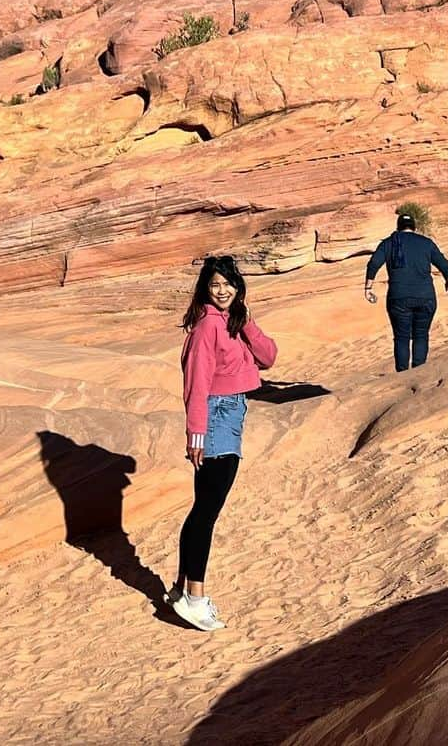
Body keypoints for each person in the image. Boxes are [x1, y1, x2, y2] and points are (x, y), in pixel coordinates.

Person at [167, 255, 277, 632]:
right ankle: (195, 599)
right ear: (205, 289)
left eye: (227, 283)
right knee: (207, 512)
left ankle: (181, 589)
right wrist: (196, 433)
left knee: (203, 508)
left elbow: (269, 357)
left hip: (230, 415)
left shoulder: (233, 321)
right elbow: (195, 385)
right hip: (215, 419)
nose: (222, 290)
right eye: (214, 284)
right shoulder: (205, 329)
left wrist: (246, 321)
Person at [364, 212, 448, 372]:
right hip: (425, 297)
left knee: (401, 337)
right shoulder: (426, 243)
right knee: (421, 335)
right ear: (414, 227)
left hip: (398, 297)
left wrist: (368, 287)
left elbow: (373, 264)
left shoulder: (389, 243)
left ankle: (402, 375)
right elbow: (444, 265)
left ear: (398, 227)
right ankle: (419, 373)